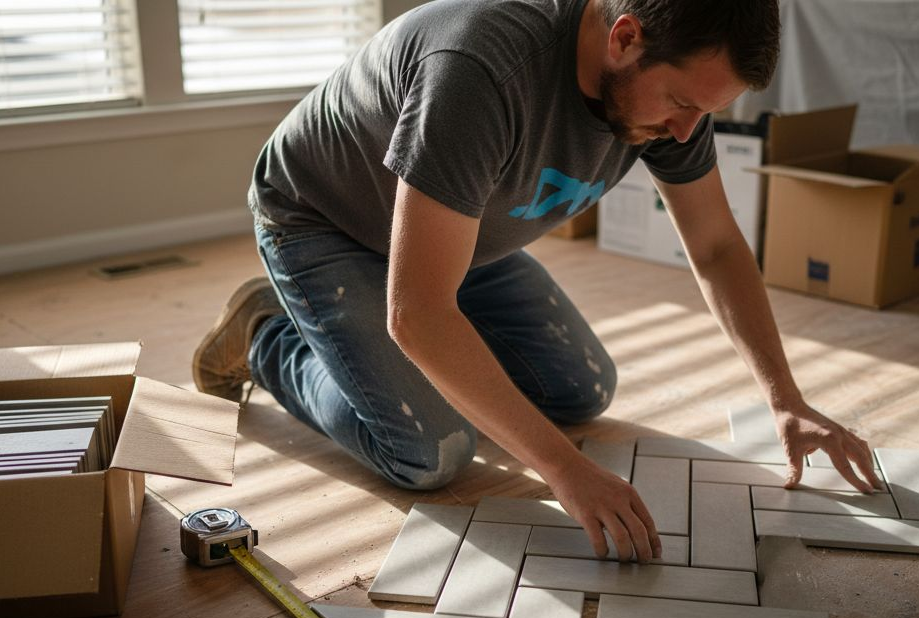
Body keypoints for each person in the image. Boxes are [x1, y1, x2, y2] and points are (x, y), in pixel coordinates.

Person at [193, 0, 882, 565]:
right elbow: (419, 314)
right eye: (677, 103)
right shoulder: (480, 69)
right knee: (430, 454)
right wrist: (563, 471)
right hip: (326, 220)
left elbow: (716, 244)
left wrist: (785, 399)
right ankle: (265, 335)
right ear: (624, 37)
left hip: (458, 241)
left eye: (703, 111)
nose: (684, 130)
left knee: (582, 389)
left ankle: (389, 343)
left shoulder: (673, 101)